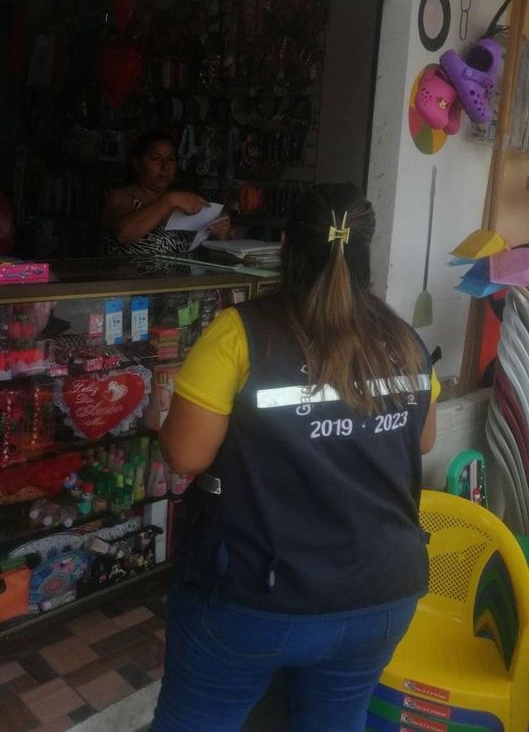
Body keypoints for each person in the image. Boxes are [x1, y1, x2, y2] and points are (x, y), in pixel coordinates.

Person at [151, 183, 439, 732]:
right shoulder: (405, 340)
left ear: (283, 246)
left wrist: (158, 418)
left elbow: (185, 456)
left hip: (256, 597)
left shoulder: (241, 333)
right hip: (382, 592)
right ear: (366, 250)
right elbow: (421, 441)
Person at [102, 128, 230, 256]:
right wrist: (169, 200)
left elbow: (210, 256)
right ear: (137, 164)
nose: (165, 166)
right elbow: (123, 234)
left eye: (171, 159)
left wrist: (221, 234)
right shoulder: (120, 196)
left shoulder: (183, 203)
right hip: (133, 270)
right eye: (156, 159)